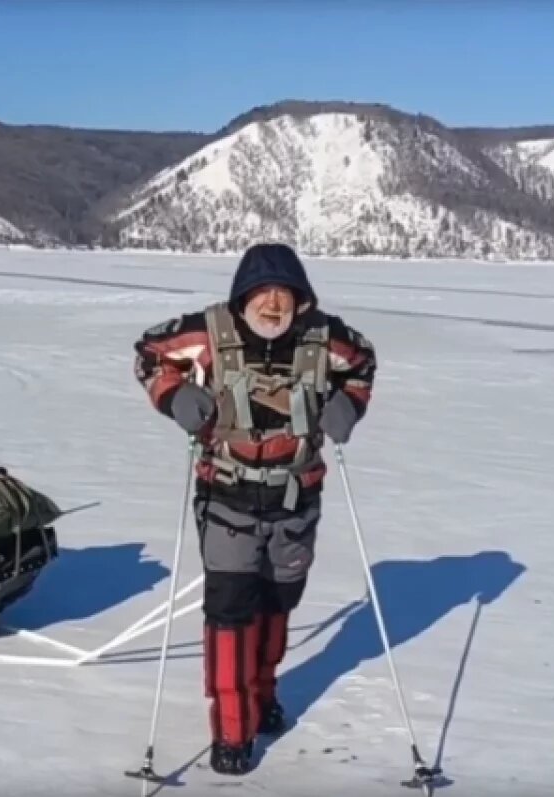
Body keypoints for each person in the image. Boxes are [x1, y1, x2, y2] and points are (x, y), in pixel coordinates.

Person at [132, 242, 377, 775]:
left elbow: (362, 365)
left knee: (277, 604)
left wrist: (346, 406)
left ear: (300, 298)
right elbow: (149, 353)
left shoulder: (325, 338)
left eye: (282, 293)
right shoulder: (207, 333)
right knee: (229, 614)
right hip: (227, 499)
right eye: (261, 293)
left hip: (296, 500)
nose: (271, 304)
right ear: (242, 295)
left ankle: (263, 696)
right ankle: (231, 732)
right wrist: (174, 397)